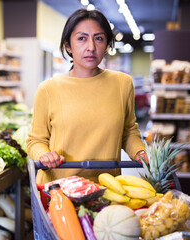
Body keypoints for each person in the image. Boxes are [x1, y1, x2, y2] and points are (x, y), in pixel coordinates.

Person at [26, 9, 148, 184]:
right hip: (59, 188)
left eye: (99, 38)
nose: (91, 47)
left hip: (107, 188)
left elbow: (128, 131)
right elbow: (36, 140)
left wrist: (139, 152)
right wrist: (44, 155)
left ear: (106, 44)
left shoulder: (122, 83)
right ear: (68, 45)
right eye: (82, 38)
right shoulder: (48, 89)